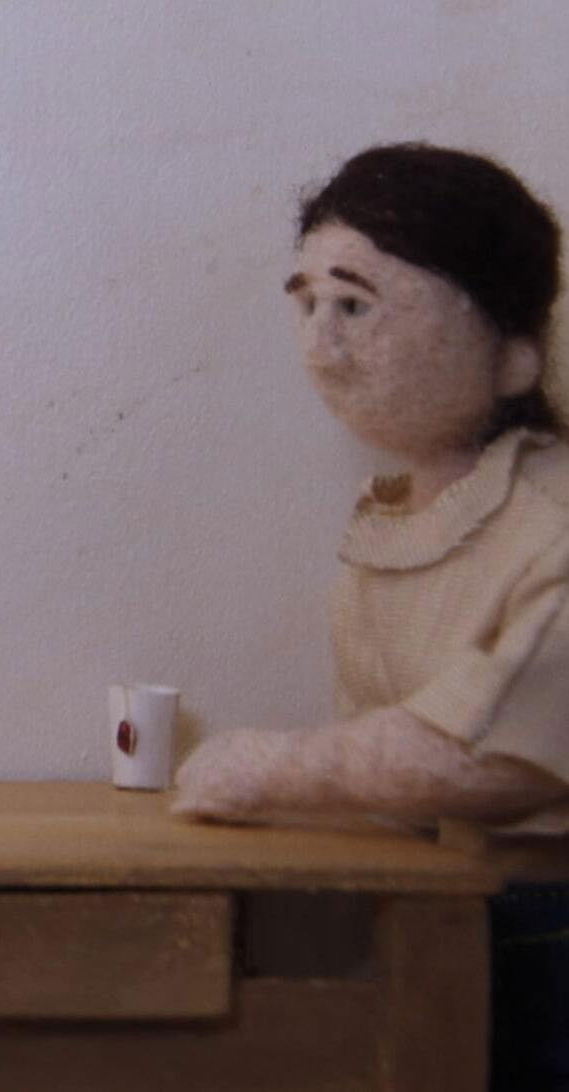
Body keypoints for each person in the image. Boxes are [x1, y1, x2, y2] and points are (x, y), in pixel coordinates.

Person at [174, 143, 569, 1088]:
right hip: (438, 913)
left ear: (513, 352)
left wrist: (273, 768)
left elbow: (495, 755)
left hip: (546, 936)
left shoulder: (552, 520)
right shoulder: (401, 515)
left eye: (356, 306)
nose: (321, 347)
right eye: (307, 304)